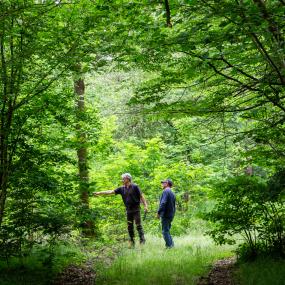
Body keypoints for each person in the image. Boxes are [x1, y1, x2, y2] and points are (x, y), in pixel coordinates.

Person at [93, 173, 148, 246]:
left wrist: (145, 206)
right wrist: (99, 193)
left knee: (138, 225)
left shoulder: (135, 186)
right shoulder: (121, 188)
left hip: (136, 209)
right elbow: (110, 192)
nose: (122, 180)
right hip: (128, 210)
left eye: (123, 179)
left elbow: (141, 196)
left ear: (128, 179)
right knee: (129, 226)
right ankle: (132, 242)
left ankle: (142, 241)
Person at [157, 179, 176, 248]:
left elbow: (163, 203)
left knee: (165, 231)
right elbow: (174, 206)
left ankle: (169, 246)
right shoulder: (172, 192)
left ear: (167, 183)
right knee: (167, 230)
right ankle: (172, 245)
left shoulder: (165, 191)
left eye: (163, 183)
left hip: (166, 214)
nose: (162, 184)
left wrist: (159, 212)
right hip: (171, 215)